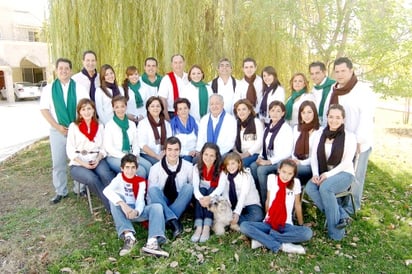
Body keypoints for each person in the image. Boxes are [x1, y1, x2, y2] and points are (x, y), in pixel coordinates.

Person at [326, 57, 375, 213]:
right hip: (340, 139)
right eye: (337, 71)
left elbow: (366, 117)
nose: (340, 74)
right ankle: (338, 202)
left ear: (351, 70)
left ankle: (351, 208)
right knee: (341, 172)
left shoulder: (362, 90)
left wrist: (359, 141)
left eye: (343, 71)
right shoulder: (334, 88)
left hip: (359, 141)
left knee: (355, 176)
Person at [40, 58, 89, 204]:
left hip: (77, 129)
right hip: (57, 130)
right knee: (58, 161)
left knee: (78, 160)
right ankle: (61, 191)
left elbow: (86, 108)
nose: (63, 71)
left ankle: (79, 188)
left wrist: (77, 126)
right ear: (56, 70)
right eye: (60, 68)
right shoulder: (49, 89)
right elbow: (44, 109)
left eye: (66, 68)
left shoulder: (79, 88)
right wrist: (57, 127)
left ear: (71, 70)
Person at [305, 104, 357, 240]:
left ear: (343, 119)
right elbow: (315, 157)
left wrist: (327, 175)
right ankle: (342, 215)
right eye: (331, 117)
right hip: (322, 172)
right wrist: (315, 174)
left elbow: (347, 162)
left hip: (344, 173)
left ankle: (336, 234)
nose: (334, 120)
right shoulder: (319, 134)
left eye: (338, 117)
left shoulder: (350, 137)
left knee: (325, 188)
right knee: (311, 187)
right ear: (327, 117)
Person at [240, 159, 313, 254]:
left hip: (285, 224)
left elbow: (297, 205)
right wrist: (267, 217)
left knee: (307, 233)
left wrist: (301, 224)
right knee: (244, 226)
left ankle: (263, 240)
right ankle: (281, 245)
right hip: (269, 223)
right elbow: (268, 200)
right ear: (279, 170)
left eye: (290, 174)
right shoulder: (271, 178)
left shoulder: (296, 183)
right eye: (284, 172)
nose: (286, 176)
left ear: (293, 174)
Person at [103, 154, 169, 257]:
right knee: (115, 198)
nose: (130, 171)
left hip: (135, 212)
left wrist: (136, 211)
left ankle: (152, 242)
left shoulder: (140, 182)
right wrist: (123, 204)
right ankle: (129, 237)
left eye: (133, 167)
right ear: (122, 168)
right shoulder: (119, 178)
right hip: (123, 212)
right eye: (127, 167)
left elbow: (140, 201)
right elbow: (106, 190)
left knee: (157, 207)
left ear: (137, 168)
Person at [66, 98, 115, 211]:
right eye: (83, 109)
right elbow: (70, 150)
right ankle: (112, 207)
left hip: (96, 158)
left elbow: (103, 148)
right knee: (92, 179)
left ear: (93, 111)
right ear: (79, 112)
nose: (87, 112)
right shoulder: (73, 127)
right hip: (78, 163)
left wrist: (98, 159)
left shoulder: (100, 126)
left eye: (89, 109)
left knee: (106, 175)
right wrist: (84, 164)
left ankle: (121, 200)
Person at [147, 137, 194, 239]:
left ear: (180, 151)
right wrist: (154, 210)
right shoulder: (155, 168)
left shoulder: (188, 167)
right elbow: (150, 195)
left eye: (176, 150)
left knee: (189, 188)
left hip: (180, 200)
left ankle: (165, 219)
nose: (173, 153)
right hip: (163, 201)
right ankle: (173, 222)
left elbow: (192, 188)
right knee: (152, 190)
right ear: (164, 151)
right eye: (170, 149)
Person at [250, 101, 293, 206]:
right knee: (253, 166)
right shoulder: (267, 128)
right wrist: (260, 157)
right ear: (269, 112)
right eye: (272, 110)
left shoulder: (286, 128)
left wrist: (269, 162)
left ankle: (267, 202)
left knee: (261, 170)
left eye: (278, 111)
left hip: (280, 161)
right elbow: (264, 146)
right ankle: (258, 197)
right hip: (267, 158)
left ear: (283, 113)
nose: (275, 113)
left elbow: (287, 152)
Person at [71, 50, 100, 195]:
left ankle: (96, 184)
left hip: (96, 117)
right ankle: (80, 188)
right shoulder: (76, 79)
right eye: (87, 60)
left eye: (93, 60)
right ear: (83, 61)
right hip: (83, 116)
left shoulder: (99, 78)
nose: (90, 63)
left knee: (94, 146)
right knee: (80, 148)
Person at [104, 96, 151, 178]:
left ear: (126, 107)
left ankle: (146, 189)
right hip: (115, 156)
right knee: (140, 171)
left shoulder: (132, 124)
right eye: (117, 107)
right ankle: (135, 190)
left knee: (148, 166)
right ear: (113, 109)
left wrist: (135, 154)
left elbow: (135, 143)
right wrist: (125, 157)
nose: (120, 109)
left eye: (122, 106)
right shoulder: (109, 125)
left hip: (131, 154)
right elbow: (109, 147)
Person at [191, 143, 225, 242]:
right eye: (206, 154)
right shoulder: (197, 167)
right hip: (201, 198)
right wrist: (202, 199)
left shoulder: (221, 169)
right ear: (202, 155)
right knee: (202, 190)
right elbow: (195, 188)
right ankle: (198, 227)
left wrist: (209, 198)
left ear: (216, 157)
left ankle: (206, 226)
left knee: (211, 190)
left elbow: (220, 188)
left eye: (211, 155)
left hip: (215, 197)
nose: (208, 158)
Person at [221, 153, 264, 228]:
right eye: (228, 164)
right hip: (234, 204)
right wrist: (228, 208)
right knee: (221, 209)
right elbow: (225, 193)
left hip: (249, 203)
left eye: (233, 163)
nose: (230, 167)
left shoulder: (246, 175)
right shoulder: (225, 175)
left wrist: (237, 213)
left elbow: (243, 195)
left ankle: (231, 221)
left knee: (258, 216)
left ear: (239, 163)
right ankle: (233, 221)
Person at [291, 100, 322, 186]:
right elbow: (292, 149)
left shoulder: (319, 131)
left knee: (291, 170)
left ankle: (296, 197)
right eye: (303, 112)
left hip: (310, 165)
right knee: (282, 167)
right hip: (295, 161)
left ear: (314, 113)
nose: (306, 115)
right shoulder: (296, 128)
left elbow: (315, 155)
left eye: (309, 112)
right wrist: (294, 159)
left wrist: (300, 163)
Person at [137, 96, 172, 165]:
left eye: (158, 106)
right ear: (148, 108)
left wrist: (163, 154)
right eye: (152, 106)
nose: (155, 108)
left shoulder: (166, 124)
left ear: (161, 108)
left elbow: (169, 142)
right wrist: (157, 156)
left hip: (163, 153)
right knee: (161, 165)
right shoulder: (143, 124)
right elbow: (142, 144)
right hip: (147, 154)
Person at [233, 99, 264, 167]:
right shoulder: (236, 123)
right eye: (239, 110)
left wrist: (246, 154)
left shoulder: (256, 122)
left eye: (244, 109)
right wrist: (236, 152)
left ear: (249, 111)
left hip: (255, 153)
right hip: (240, 153)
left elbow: (260, 142)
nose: (241, 112)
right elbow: (233, 141)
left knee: (240, 165)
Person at [158, 54, 189, 121]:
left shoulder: (189, 78)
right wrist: (167, 118)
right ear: (172, 64)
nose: (178, 65)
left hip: (187, 113)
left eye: (180, 62)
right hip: (172, 114)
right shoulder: (166, 79)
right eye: (175, 63)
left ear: (184, 63)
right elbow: (163, 99)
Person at [170, 98, 198, 163]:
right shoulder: (172, 125)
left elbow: (200, 140)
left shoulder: (196, 123)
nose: (183, 111)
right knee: (186, 160)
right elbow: (171, 145)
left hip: (195, 153)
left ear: (189, 109)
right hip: (179, 154)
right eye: (180, 109)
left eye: (185, 108)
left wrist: (196, 151)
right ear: (177, 112)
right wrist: (187, 153)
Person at [309, 61, 336, 126]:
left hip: (331, 124)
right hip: (316, 124)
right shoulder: (313, 89)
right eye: (312, 74)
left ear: (324, 72)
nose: (314, 76)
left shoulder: (334, 86)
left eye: (317, 73)